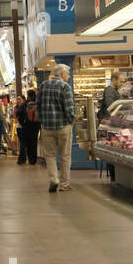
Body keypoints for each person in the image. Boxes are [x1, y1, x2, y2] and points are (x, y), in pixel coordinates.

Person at [37, 64, 76, 193]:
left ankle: (53, 180)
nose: (68, 76)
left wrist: (42, 121)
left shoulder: (43, 85)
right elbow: (69, 109)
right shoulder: (65, 87)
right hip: (63, 126)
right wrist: (71, 122)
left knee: (50, 155)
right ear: (62, 74)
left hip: (47, 127)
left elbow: (38, 106)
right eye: (68, 73)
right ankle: (64, 184)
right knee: (65, 156)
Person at [16, 88, 40, 165]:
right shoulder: (37, 103)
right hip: (35, 126)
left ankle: (23, 159)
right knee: (34, 142)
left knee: (25, 143)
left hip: (26, 126)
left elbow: (18, 113)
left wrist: (22, 122)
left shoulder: (25, 103)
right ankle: (33, 160)